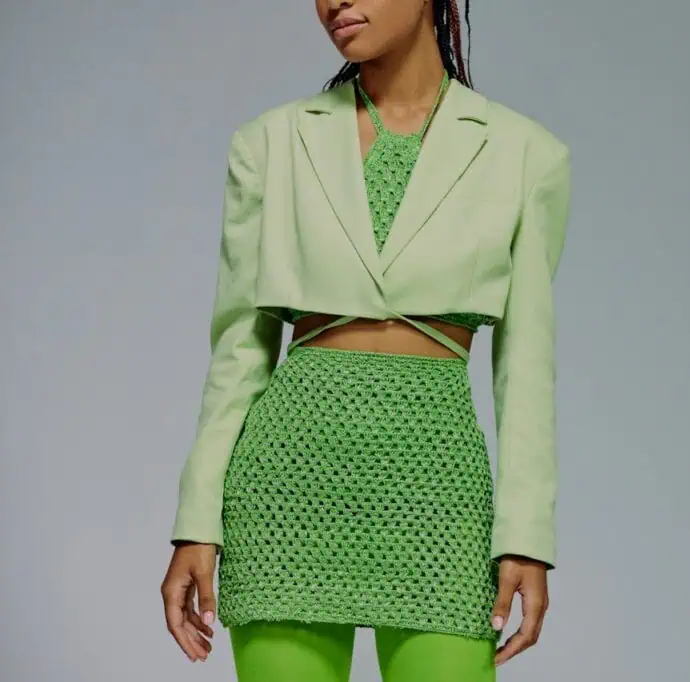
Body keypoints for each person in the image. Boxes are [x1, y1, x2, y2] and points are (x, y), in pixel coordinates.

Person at [159, 0, 571, 680]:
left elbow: (526, 363)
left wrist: (526, 534)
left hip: (438, 491)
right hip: (285, 494)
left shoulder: (526, 154)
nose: (334, 2)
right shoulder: (270, 143)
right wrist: (196, 521)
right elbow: (239, 352)